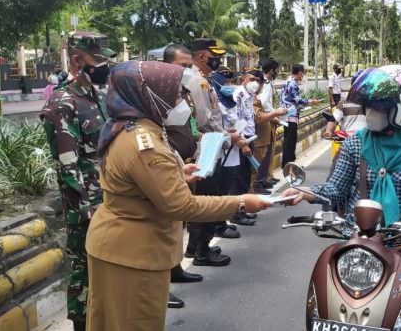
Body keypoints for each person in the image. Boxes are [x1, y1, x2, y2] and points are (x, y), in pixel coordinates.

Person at [84, 60, 271, 331]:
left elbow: (133, 181)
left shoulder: (132, 128)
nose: (179, 100)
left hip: (118, 245)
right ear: (146, 94)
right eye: (172, 93)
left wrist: (177, 173)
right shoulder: (142, 143)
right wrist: (242, 202)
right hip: (133, 253)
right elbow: (183, 206)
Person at [284, 65, 401, 330]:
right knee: (329, 312)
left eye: (380, 106)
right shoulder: (356, 143)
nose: (372, 112)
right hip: (359, 246)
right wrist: (305, 192)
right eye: (370, 106)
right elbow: (335, 188)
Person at [39, 31, 116, 331]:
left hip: (108, 201)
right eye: (97, 60)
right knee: (85, 274)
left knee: (106, 274)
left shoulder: (97, 96)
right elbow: (68, 167)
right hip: (86, 209)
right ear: (76, 60)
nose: (104, 66)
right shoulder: (64, 102)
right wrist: (87, 213)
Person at [186, 38, 245, 261]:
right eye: (214, 56)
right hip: (207, 149)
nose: (218, 61)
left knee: (206, 198)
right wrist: (226, 136)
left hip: (212, 144)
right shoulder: (198, 82)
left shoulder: (204, 80)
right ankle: (201, 251)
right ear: (202, 56)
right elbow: (204, 120)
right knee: (208, 200)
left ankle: (195, 246)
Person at [162, 43, 204, 309]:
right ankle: (160, 285)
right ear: (167, 65)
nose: (188, 70)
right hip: (166, 168)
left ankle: (175, 267)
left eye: (190, 65)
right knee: (165, 227)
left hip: (187, 163)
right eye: (182, 65)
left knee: (179, 225)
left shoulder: (184, 91)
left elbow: (191, 123)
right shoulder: (158, 93)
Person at [219, 70, 259, 225]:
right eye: (226, 82)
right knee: (237, 179)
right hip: (234, 144)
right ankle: (235, 213)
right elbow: (231, 124)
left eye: (230, 81)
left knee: (243, 178)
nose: (229, 85)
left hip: (243, 139)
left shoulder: (236, 98)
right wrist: (242, 144)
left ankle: (241, 210)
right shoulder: (228, 99)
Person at [254, 59, 286, 190]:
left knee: (269, 150)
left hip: (269, 118)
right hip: (266, 120)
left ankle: (266, 176)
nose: (276, 72)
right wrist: (274, 115)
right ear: (271, 70)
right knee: (264, 152)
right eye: (275, 69)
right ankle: (261, 180)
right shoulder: (265, 85)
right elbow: (263, 105)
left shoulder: (268, 83)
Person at [280, 64, 319, 167]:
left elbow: (289, 99)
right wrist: (310, 101)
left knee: (289, 139)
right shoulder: (293, 84)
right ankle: (288, 163)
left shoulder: (288, 81)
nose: (303, 75)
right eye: (303, 72)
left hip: (288, 114)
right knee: (290, 140)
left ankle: (288, 163)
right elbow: (297, 100)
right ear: (299, 72)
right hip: (291, 115)